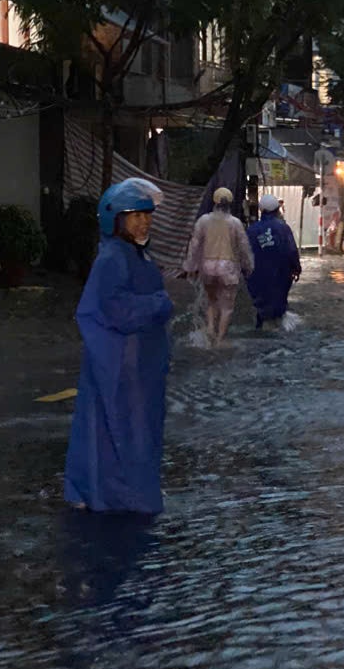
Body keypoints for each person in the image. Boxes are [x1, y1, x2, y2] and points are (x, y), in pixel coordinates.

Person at [64, 178, 173, 515]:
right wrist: (159, 303)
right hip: (120, 364)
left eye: (147, 215)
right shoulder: (113, 257)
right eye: (135, 215)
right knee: (118, 427)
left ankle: (106, 488)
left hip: (133, 363)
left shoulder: (134, 254)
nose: (144, 222)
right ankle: (116, 493)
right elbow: (116, 309)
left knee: (122, 427)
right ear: (116, 219)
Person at [183, 186, 254, 346]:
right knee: (226, 307)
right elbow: (244, 247)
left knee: (211, 300)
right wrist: (248, 265)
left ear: (214, 202)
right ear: (230, 203)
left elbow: (194, 245)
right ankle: (220, 339)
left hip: (207, 267)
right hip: (228, 269)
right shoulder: (235, 223)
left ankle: (210, 328)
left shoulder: (203, 220)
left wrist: (190, 267)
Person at [246, 193, 302, 328]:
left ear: (261, 210)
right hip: (281, 273)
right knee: (279, 303)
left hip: (257, 274)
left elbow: (245, 253)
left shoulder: (251, 230)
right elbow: (291, 250)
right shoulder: (283, 228)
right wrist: (296, 268)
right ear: (277, 210)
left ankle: (260, 326)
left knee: (260, 304)